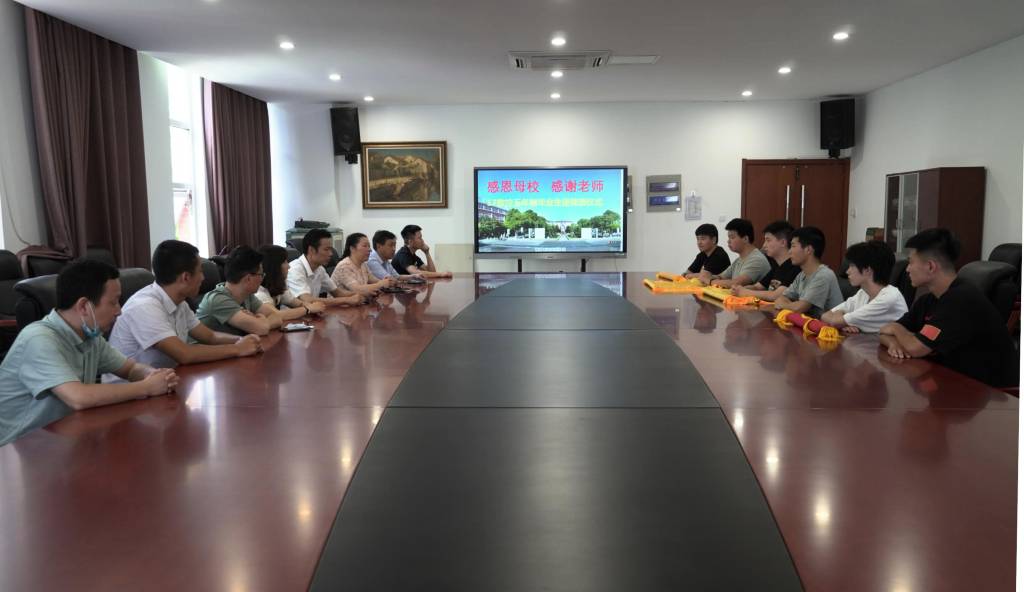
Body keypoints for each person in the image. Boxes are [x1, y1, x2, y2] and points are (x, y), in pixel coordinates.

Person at [0, 260, 178, 446]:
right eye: (113, 302)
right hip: (17, 449)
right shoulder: (38, 339)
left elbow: (130, 368)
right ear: (84, 307)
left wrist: (154, 375)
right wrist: (147, 387)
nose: (119, 311)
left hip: (63, 437)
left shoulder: (90, 337)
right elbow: (78, 397)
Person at [879, 228, 1018, 387]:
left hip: (991, 392)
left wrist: (896, 329)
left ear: (930, 266)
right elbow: (883, 332)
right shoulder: (928, 300)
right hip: (953, 382)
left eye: (911, 262)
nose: (907, 269)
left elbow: (915, 348)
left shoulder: (960, 300)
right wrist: (894, 343)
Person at [107, 240, 263, 374]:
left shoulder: (179, 302)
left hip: (167, 381)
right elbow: (184, 354)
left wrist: (242, 340)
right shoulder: (145, 306)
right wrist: (238, 349)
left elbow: (210, 336)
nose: (203, 277)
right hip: (132, 393)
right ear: (186, 277)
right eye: (200, 271)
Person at [197, 246, 293, 336]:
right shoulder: (218, 299)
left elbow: (277, 317)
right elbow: (261, 328)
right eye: (261, 275)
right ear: (248, 279)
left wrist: (262, 322)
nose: (262, 279)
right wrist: (260, 321)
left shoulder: (247, 295)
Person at [821, 241, 908, 333]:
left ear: (867, 270)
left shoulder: (889, 298)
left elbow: (834, 321)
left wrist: (839, 317)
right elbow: (825, 316)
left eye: (852, 266)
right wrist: (842, 323)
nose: (847, 271)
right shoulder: (863, 293)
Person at [774, 226, 844, 317]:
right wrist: (790, 305)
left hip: (827, 325)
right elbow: (781, 298)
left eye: (793, 246)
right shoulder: (802, 274)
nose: (789, 251)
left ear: (808, 250)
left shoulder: (823, 275)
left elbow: (799, 308)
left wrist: (786, 305)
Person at [287, 228, 364, 306]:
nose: (331, 254)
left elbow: (337, 293)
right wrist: (346, 300)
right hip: (293, 313)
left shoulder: (319, 269)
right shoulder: (295, 269)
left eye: (331, 249)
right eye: (326, 249)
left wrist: (360, 295)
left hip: (313, 312)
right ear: (311, 250)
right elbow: (308, 300)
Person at [255, 245, 326, 322]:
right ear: (274, 267)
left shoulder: (277, 286)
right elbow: (276, 315)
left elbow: (296, 303)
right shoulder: (259, 293)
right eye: (285, 262)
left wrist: (313, 308)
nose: (289, 266)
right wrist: (308, 309)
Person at [733, 220, 799, 302]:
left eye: (768, 240)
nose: (764, 245)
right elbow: (757, 287)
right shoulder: (776, 265)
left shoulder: (795, 267)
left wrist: (745, 292)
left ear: (782, 242)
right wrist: (740, 289)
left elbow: (775, 295)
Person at [701, 218, 771, 288]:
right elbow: (721, 277)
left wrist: (710, 281)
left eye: (732, 237)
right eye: (728, 238)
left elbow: (736, 283)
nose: (728, 241)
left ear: (745, 239)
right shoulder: (739, 260)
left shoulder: (756, 259)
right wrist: (708, 276)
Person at [331, 233, 398, 296]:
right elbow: (357, 289)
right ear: (352, 248)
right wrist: (380, 284)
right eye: (365, 246)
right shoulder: (344, 266)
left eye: (369, 246)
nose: (370, 250)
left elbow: (374, 280)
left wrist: (387, 281)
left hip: (359, 302)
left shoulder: (363, 264)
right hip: (340, 304)